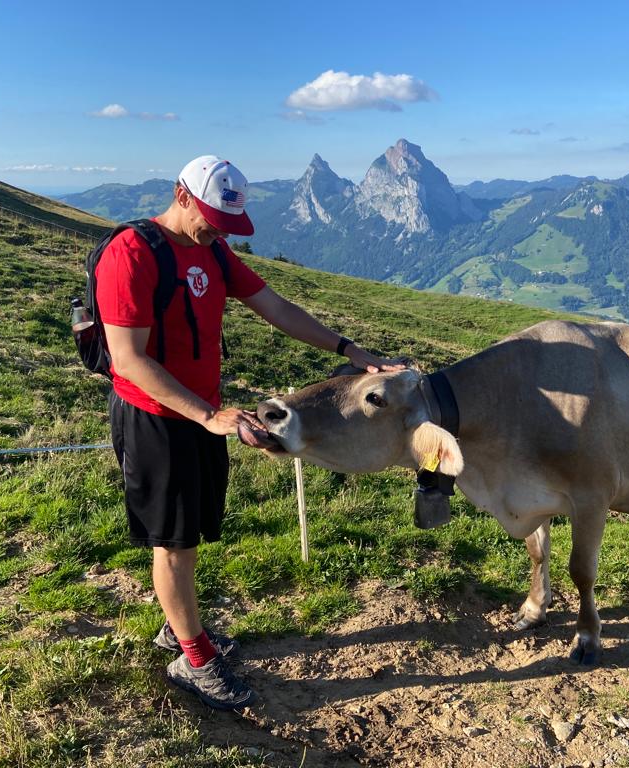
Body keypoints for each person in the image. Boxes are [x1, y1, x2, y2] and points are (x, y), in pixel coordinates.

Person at [96, 154, 402, 710]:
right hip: (156, 417)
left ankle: (177, 627)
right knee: (175, 543)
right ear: (181, 195)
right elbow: (129, 360)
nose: (219, 232)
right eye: (212, 218)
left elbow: (274, 307)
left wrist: (349, 351)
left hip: (200, 414)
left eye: (227, 223)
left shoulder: (212, 249)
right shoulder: (131, 254)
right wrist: (209, 415)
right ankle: (193, 659)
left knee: (193, 530)